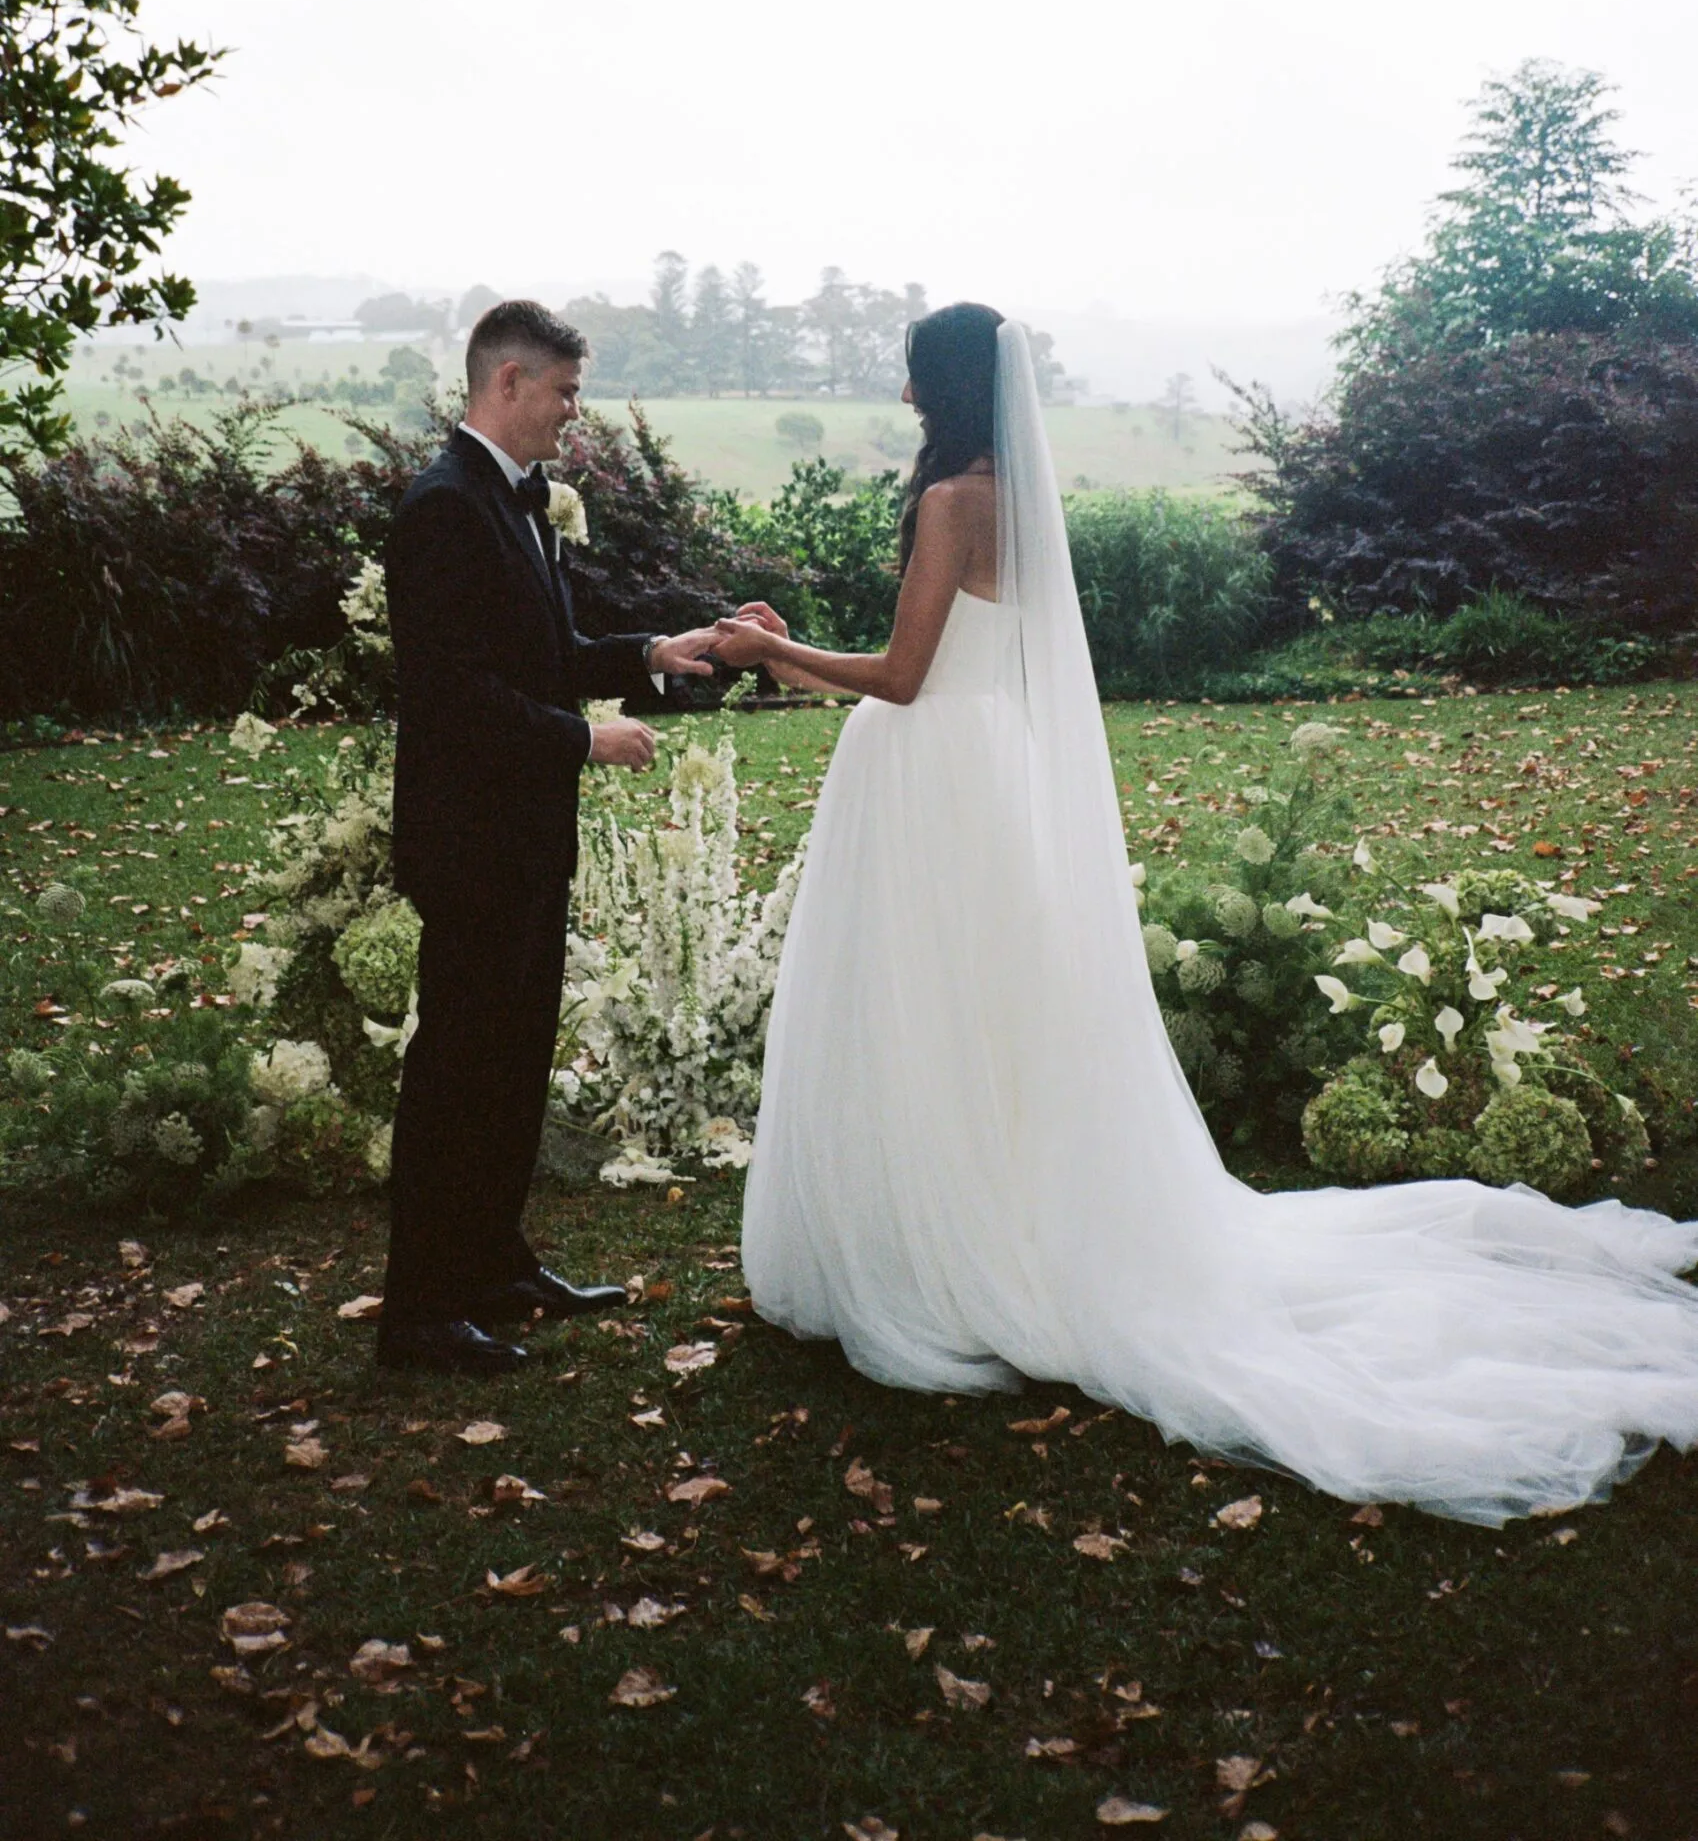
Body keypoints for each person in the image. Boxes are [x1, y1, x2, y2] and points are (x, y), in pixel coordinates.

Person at [710, 305, 1698, 1524]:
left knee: (918, 1010)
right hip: (982, 777)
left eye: (914, 375)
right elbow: (948, 663)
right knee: (988, 1013)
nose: (905, 393)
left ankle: (936, 1250)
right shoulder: (1014, 496)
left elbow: (906, 678)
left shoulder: (950, 501)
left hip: (925, 778)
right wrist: (786, 654)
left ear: (943, 384)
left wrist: (762, 648)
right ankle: (986, 1216)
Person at [376, 299, 725, 1375]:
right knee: (458, 1069)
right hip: (470, 840)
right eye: (566, 392)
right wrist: (584, 740)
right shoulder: (444, 507)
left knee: (513, 1061)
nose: (576, 412)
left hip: (524, 836)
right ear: (509, 381)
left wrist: (657, 652)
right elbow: (452, 695)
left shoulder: (517, 501)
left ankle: (494, 1266)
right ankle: (419, 1312)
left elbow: (549, 653)